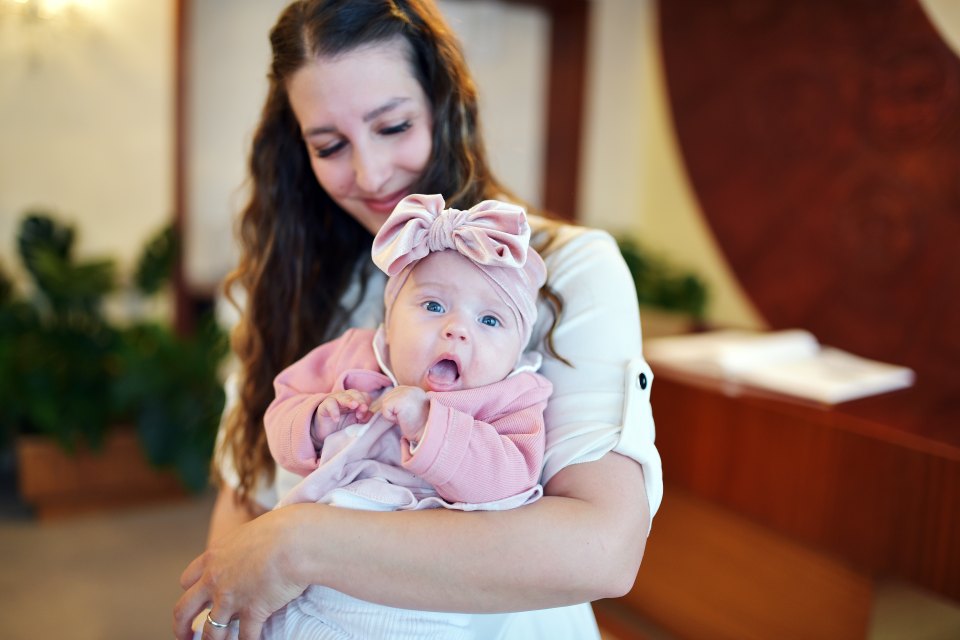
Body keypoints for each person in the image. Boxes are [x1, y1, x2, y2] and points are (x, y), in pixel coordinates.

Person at [173, 1, 662, 639]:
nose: (371, 173)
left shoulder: (562, 269)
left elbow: (602, 548)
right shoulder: (284, 289)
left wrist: (300, 545)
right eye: (330, 146)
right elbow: (246, 496)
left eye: (394, 126)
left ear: (443, 106)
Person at [261, 194, 552, 639]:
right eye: (433, 306)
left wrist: (429, 426)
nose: (456, 329)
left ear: (517, 349)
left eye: (490, 320)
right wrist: (314, 421)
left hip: (424, 599)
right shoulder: (352, 353)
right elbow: (281, 408)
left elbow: (512, 476)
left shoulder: (513, 394)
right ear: (389, 321)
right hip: (311, 577)